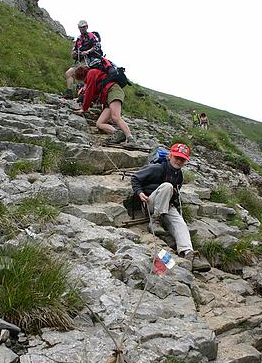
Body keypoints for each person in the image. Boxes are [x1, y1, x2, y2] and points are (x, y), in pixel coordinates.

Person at [131, 143, 210, 271]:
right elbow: (135, 178)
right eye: (177, 157)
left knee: (181, 224)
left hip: (166, 205)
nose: (179, 161)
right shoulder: (157, 168)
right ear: (170, 155)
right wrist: (140, 193)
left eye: (182, 159)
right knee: (167, 186)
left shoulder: (179, 176)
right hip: (150, 203)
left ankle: (188, 254)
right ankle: (155, 221)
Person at [74, 64, 136, 146]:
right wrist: (80, 99)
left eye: (81, 80)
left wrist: (84, 108)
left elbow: (89, 92)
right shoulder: (94, 74)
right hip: (108, 97)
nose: (82, 82)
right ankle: (118, 133)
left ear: (81, 75)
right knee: (99, 123)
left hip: (113, 91)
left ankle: (130, 139)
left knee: (116, 117)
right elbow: (94, 94)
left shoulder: (91, 73)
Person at [65, 20, 102, 99]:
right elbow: (74, 51)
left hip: (91, 61)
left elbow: (97, 46)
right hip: (80, 61)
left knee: (84, 76)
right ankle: (69, 92)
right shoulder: (78, 39)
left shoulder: (92, 36)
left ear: (87, 27)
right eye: (80, 27)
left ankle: (84, 96)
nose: (82, 29)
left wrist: (87, 51)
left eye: (83, 27)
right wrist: (74, 54)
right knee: (68, 73)